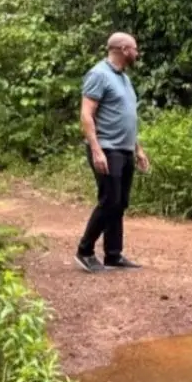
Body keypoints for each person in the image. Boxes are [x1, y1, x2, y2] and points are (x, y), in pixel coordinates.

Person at [74, 32, 150, 273]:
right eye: (134, 49)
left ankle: (113, 255)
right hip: (107, 148)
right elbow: (86, 114)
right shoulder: (99, 74)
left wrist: (137, 149)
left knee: (120, 203)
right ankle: (85, 251)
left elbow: (126, 118)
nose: (137, 53)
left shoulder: (124, 79)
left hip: (124, 149)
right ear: (124, 49)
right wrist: (96, 150)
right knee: (109, 201)